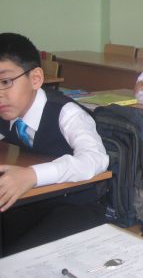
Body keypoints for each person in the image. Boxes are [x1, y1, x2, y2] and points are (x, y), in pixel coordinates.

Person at [0, 33, 109, 254]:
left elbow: (95, 159)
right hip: (32, 201)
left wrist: (32, 175)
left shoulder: (66, 114)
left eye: (5, 82)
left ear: (35, 78)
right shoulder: (7, 110)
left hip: (75, 206)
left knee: (18, 258)